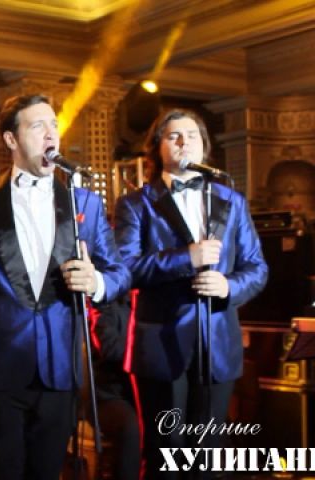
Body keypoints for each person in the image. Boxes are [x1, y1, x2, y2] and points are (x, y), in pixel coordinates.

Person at [0, 94, 131, 480]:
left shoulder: (84, 203)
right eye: (38, 125)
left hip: (61, 369)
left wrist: (95, 282)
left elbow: (120, 273)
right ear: (11, 139)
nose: (51, 134)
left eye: (54, 125)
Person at [113, 109, 268, 478]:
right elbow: (126, 268)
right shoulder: (136, 203)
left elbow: (257, 268)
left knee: (208, 458)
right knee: (164, 457)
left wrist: (229, 286)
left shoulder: (231, 200)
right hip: (161, 344)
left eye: (193, 135)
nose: (185, 142)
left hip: (217, 344)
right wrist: (187, 258)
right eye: (174, 136)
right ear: (157, 147)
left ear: (205, 146)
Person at [90, 291, 141, 480]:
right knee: (132, 427)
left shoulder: (156, 303)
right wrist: (149, 354)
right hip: (111, 397)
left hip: (148, 395)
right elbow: (109, 347)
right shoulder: (105, 303)